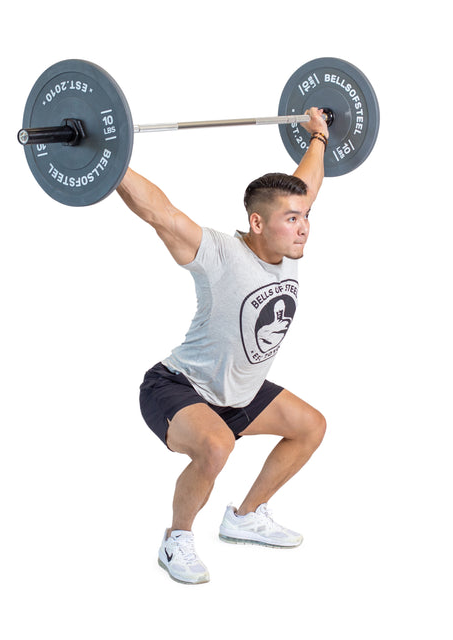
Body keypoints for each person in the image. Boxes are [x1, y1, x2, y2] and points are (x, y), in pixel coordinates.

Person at [116, 108, 329, 585]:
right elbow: (161, 213)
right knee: (215, 446)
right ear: (256, 222)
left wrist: (318, 136)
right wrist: (111, 163)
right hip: (177, 387)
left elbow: (306, 186)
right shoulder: (220, 253)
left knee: (311, 426)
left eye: (305, 217)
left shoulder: (286, 244)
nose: (303, 226)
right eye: (292, 219)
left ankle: (245, 517)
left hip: (240, 392)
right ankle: (176, 540)